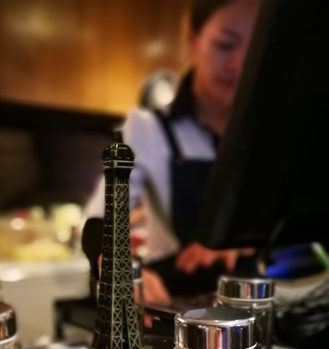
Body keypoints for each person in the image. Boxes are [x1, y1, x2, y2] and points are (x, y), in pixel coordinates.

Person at [84, 0, 260, 305]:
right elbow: (99, 220)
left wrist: (243, 241)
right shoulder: (148, 128)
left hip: (254, 301)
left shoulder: (266, 130)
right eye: (225, 45)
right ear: (192, 38)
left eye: (254, 48)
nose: (238, 64)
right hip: (173, 304)